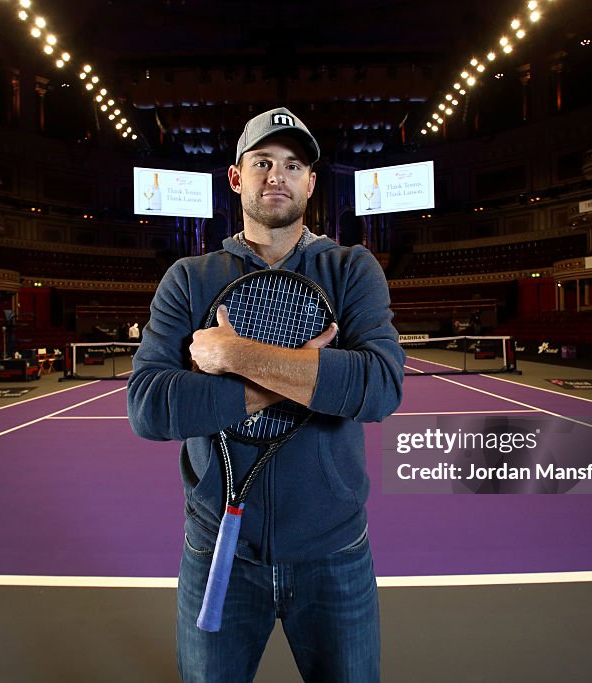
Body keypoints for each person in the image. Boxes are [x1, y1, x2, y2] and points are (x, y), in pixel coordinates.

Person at [127, 106, 404, 683]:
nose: (277, 174)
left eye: (292, 164)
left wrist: (233, 357)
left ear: (309, 182)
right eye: (262, 162)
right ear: (237, 177)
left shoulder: (353, 269)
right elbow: (150, 407)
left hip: (334, 552)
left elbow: (379, 387)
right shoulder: (188, 277)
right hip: (218, 556)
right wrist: (309, 374)